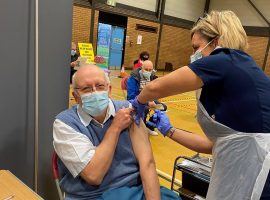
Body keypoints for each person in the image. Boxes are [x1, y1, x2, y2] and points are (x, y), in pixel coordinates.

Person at [132, 10, 270, 200]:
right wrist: (169, 130)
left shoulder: (226, 59)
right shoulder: (238, 73)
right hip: (244, 162)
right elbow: (214, 145)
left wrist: (138, 102)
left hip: (259, 170)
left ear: (215, 41)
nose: (193, 54)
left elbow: (155, 88)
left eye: (196, 47)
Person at [53, 65, 179, 200]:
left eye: (100, 86)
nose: (95, 92)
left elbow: (147, 163)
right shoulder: (65, 123)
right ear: (76, 96)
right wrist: (115, 128)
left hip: (135, 190)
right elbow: (94, 176)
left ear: (109, 90)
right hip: (91, 196)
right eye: (86, 89)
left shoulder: (128, 109)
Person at [127, 60, 167, 136]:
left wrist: (154, 100)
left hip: (149, 100)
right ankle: (140, 127)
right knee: (144, 108)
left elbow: (156, 91)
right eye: (146, 69)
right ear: (141, 68)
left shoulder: (152, 77)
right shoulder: (133, 77)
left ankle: (149, 126)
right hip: (135, 100)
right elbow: (131, 95)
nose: (148, 72)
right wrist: (147, 102)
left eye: (150, 70)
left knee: (162, 107)